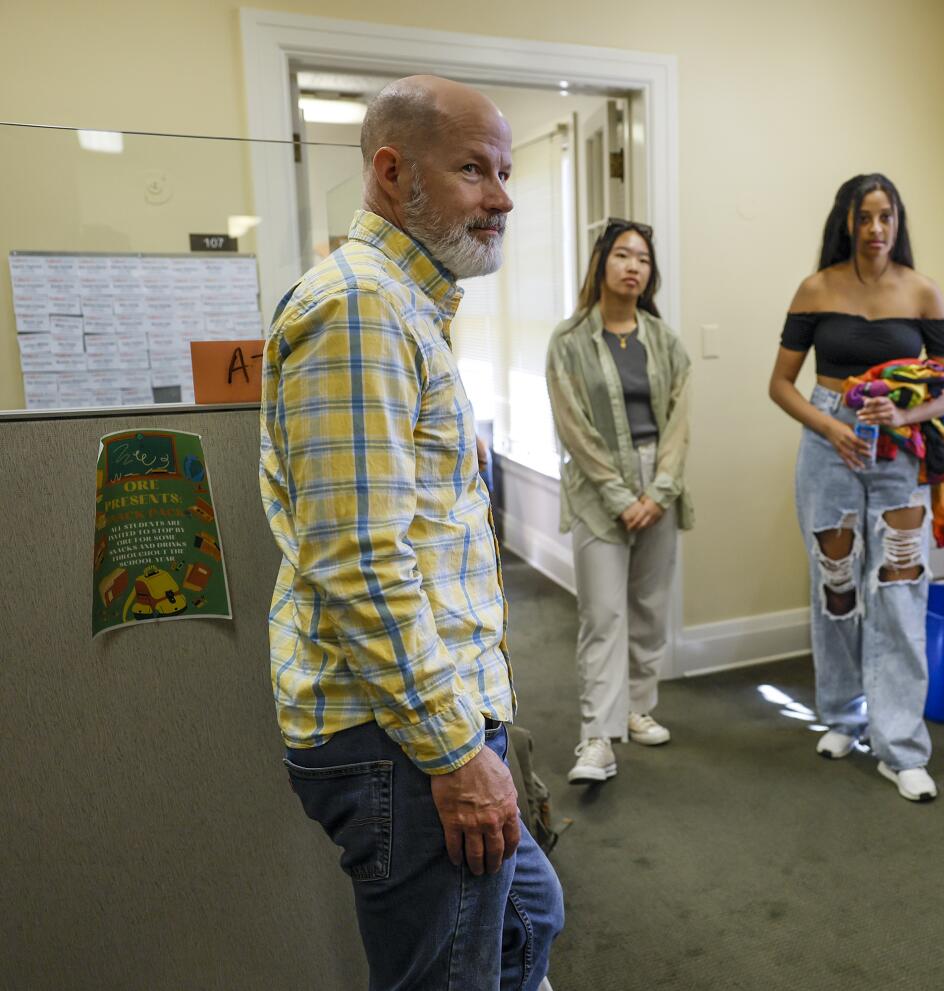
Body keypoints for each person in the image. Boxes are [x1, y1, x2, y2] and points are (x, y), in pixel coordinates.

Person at [259, 75, 563, 990]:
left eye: (506, 172)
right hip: (403, 737)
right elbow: (360, 563)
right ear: (392, 173)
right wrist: (456, 753)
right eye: (475, 170)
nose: (503, 197)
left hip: (435, 714)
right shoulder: (362, 309)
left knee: (529, 914)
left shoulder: (409, 306)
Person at [767, 174, 944, 802]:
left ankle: (900, 745)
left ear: (898, 223)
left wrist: (904, 417)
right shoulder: (816, 288)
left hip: (898, 451)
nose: (876, 230)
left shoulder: (923, 292)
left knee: (901, 591)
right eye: (865, 218)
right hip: (829, 446)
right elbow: (781, 385)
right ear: (847, 224)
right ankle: (843, 716)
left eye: (887, 217)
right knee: (838, 585)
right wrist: (831, 425)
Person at [546, 219, 693, 784]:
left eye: (644, 260)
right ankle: (596, 739)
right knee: (603, 615)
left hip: (660, 478)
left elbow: (680, 422)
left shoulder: (665, 340)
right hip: (595, 486)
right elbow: (573, 427)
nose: (634, 266)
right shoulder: (569, 341)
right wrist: (616, 492)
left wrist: (658, 491)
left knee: (650, 608)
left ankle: (636, 707)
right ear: (601, 264)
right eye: (623, 255)